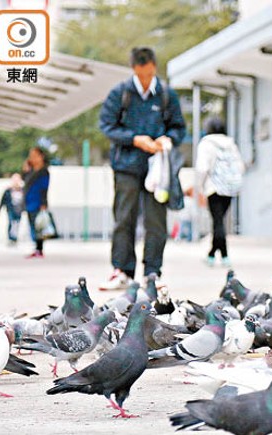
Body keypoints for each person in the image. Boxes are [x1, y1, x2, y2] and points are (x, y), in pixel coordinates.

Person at [99, 47, 186, 290]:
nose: (146, 80)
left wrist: (167, 140)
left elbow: (178, 128)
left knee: (156, 221)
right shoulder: (121, 93)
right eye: (141, 75)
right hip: (126, 165)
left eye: (149, 74)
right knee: (123, 218)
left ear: (154, 68)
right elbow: (107, 126)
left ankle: (152, 273)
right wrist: (135, 139)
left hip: (157, 168)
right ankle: (122, 270)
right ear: (134, 70)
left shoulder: (167, 94)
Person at [195, 117, 245, 267]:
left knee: (217, 221)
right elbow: (240, 166)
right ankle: (212, 253)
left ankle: (223, 256)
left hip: (214, 187)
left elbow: (202, 167)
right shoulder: (231, 143)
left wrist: (200, 187)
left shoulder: (206, 143)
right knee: (219, 221)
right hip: (230, 187)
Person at [23, 147, 50, 258]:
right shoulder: (31, 171)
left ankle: (39, 248)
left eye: (35, 155)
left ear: (41, 157)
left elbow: (44, 188)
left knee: (39, 226)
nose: (32, 158)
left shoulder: (43, 172)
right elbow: (24, 182)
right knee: (32, 225)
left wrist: (43, 203)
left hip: (38, 202)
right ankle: (37, 248)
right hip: (29, 201)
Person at [0, 173, 25, 244]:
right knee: (11, 222)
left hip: (19, 210)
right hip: (10, 209)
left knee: (17, 223)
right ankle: (11, 237)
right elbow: (3, 200)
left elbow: (25, 200)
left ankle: (15, 237)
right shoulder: (8, 190)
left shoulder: (22, 190)